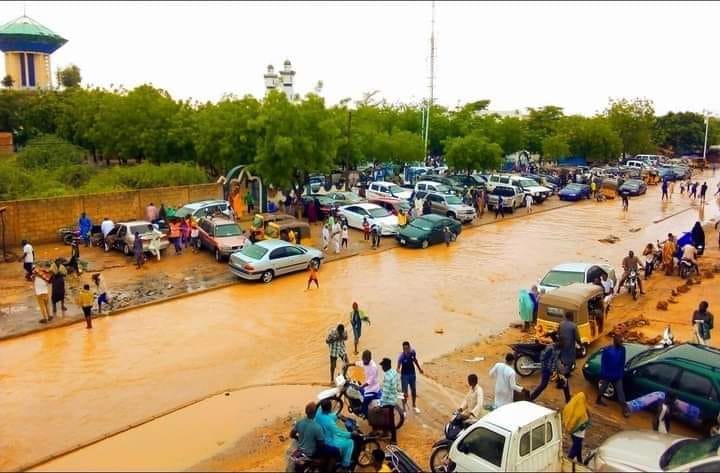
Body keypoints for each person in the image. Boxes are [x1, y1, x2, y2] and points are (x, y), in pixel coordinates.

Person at [289, 402, 339, 469]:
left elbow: (291, 435)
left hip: (301, 449)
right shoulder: (317, 427)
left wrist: (300, 439)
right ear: (315, 413)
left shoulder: (299, 422)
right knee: (335, 451)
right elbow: (321, 444)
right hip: (312, 452)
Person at [315, 399, 354, 470]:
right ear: (330, 408)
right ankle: (345, 465)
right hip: (328, 442)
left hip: (320, 439)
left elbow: (328, 416)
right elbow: (339, 433)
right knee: (350, 442)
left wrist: (337, 416)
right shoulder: (329, 422)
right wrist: (351, 434)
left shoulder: (318, 414)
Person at [596, 335, 629, 417]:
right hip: (616, 375)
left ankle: (598, 399)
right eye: (621, 342)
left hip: (609, 374)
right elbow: (622, 361)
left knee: (604, 387)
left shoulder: (607, 349)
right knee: (620, 392)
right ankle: (624, 410)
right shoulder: (622, 349)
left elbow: (603, 362)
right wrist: (621, 372)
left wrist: (604, 373)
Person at [529, 337, 569, 402]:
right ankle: (530, 398)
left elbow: (555, 360)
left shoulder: (558, 349)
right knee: (543, 385)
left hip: (553, 370)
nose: (562, 345)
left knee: (564, 381)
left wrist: (555, 370)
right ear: (558, 342)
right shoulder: (550, 348)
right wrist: (549, 370)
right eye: (562, 344)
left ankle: (568, 399)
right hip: (546, 370)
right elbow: (542, 359)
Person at [563, 392, 590, 464]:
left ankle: (580, 461)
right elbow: (586, 420)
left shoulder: (572, 405)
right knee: (576, 448)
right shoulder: (581, 410)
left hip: (572, 431)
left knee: (578, 446)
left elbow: (567, 415)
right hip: (579, 433)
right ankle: (568, 461)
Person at [398, 341, 424, 414]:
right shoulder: (401, 357)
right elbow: (398, 367)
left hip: (412, 374)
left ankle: (414, 405)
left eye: (406, 348)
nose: (405, 350)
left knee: (414, 391)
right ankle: (404, 409)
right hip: (404, 376)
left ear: (409, 347)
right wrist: (398, 371)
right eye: (404, 349)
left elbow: (415, 361)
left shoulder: (413, 352)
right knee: (405, 393)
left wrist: (419, 369)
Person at [379, 357, 400, 443]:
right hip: (393, 398)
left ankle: (393, 439)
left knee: (390, 420)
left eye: (383, 366)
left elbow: (386, 392)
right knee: (386, 418)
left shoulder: (387, 376)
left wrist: (381, 403)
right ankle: (385, 432)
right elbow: (397, 384)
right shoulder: (394, 372)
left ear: (386, 366)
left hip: (388, 401)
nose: (382, 367)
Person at [355, 350, 381, 416]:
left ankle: (366, 415)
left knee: (365, 402)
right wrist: (348, 364)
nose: (363, 361)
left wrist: (361, 386)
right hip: (367, 387)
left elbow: (369, 381)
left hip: (373, 388)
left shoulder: (373, 367)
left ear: (369, 359)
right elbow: (358, 363)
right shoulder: (364, 362)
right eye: (363, 359)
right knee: (359, 392)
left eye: (365, 360)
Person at [558, 312, 581, 377]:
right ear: (571, 317)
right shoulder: (573, 325)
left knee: (563, 358)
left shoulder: (561, 324)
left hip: (562, 344)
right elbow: (577, 337)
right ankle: (566, 373)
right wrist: (580, 344)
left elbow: (558, 333)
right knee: (570, 359)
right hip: (570, 345)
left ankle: (564, 371)